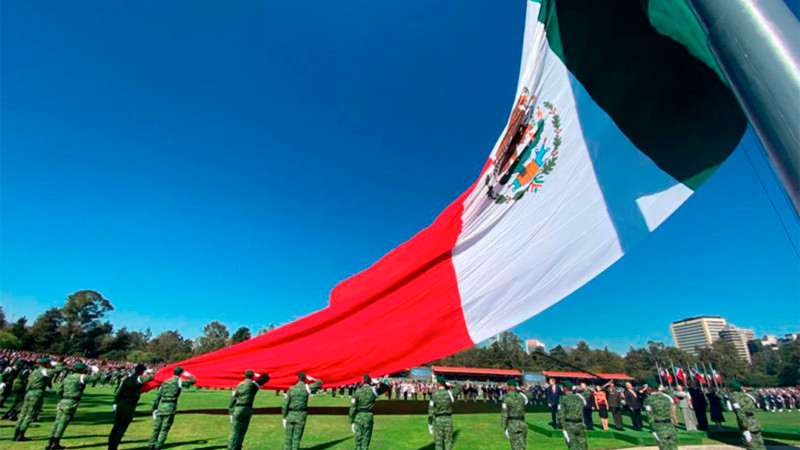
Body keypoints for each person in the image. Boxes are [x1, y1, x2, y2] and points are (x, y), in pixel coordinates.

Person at [46, 362, 100, 450]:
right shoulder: (81, 376)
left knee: (57, 422)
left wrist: (59, 402)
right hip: (71, 401)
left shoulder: (68, 377)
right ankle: (55, 443)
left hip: (63, 400)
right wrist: (97, 371)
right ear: (83, 370)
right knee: (63, 423)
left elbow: (60, 390)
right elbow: (95, 378)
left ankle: (50, 443)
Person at [149, 366, 197, 450]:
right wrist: (187, 374)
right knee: (164, 429)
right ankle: (158, 446)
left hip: (161, 406)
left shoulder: (165, 382)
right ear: (180, 373)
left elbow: (157, 397)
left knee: (156, 428)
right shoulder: (179, 381)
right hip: (170, 407)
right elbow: (193, 381)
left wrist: (154, 409)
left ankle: (151, 445)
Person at [108, 364, 155, 450]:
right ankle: (113, 447)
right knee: (122, 428)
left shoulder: (127, 379)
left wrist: (115, 403)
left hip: (121, 403)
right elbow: (150, 377)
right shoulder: (138, 378)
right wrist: (149, 372)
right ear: (142, 371)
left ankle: (110, 446)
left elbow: (118, 392)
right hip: (129, 405)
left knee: (116, 427)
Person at [13, 357, 54, 442]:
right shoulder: (44, 371)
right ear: (46, 364)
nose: (50, 365)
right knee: (30, 415)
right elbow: (57, 370)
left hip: (29, 393)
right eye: (49, 363)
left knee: (22, 414)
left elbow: (28, 384)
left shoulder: (34, 371)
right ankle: (21, 435)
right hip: (36, 394)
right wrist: (60, 363)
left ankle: (16, 434)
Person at [228, 370, 270, 450]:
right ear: (252, 376)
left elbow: (232, 399)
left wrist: (231, 412)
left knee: (235, 431)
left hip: (238, 409)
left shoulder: (239, 386)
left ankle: (231, 448)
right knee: (242, 431)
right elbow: (266, 378)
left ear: (245, 376)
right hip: (248, 409)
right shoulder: (254, 385)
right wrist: (258, 374)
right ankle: (238, 448)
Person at [282, 372, 323, 450]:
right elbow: (319, 382)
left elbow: (285, 405)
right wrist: (312, 378)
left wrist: (284, 416)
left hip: (290, 414)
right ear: (304, 379)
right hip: (301, 414)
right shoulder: (306, 388)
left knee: (288, 439)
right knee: (297, 438)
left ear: (298, 378)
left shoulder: (291, 389)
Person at [349, 374, 390, 450]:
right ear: (370, 381)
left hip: (359, 416)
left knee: (358, 438)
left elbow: (353, 407)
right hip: (368, 416)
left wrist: (351, 419)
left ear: (362, 381)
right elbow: (386, 387)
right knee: (366, 438)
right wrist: (379, 382)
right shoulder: (373, 391)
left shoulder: (357, 392)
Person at [728, 381, 766, 450]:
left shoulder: (734, 397)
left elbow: (740, 412)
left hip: (746, 424)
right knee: (760, 444)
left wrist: (744, 426)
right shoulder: (748, 395)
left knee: (750, 445)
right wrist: (743, 388)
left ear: (732, 388)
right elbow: (756, 390)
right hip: (754, 422)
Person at [643, 380, 678, 450]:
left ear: (649, 388)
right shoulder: (667, 398)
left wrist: (653, 430)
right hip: (670, 426)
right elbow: (671, 394)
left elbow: (650, 416)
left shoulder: (649, 400)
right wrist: (664, 389)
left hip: (659, 426)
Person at [428, 376, 456, 450]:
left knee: (438, 443)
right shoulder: (449, 393)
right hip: (448, 419)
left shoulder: (434, 395)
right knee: (448, 441)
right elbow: (458, 387)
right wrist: (450, 385)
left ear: (438, 383)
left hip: (438, 420)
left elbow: (430, 411)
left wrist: (430, 424)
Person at [557, 381, 587, 450]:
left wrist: (561, 425)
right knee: (583, 445)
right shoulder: (579, 397)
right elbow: (588, 392)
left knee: (572, 445)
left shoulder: (563, 398)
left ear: (564, 388)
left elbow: (561, 413)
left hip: (569, 424)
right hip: (580, 424)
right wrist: (580, 388)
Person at [501, 378, 528, 450]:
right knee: (522, 447)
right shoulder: (522, 397)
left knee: (515, 447)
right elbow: (526, 399)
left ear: (509, 386)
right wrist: (520, 390)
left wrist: (504, 427)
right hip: (522, 424)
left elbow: (504, 414)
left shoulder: (506, 398)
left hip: (512, 425)